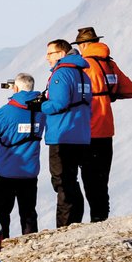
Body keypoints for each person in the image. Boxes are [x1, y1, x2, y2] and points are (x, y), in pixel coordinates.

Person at [72, 28, 132, 223]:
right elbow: (131, 90)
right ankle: (102, 216)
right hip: (107, 128)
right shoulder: (109, 64)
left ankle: (96, 218)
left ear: (83, 45)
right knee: (102, 177)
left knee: (90, 178)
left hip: (89, 128)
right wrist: (110, 95)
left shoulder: (84, 65)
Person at [39, 38, 96, 225]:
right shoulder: (83, 74)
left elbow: (59, 104)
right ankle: (76, 221)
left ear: (61, 54)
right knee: (72, 180)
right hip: (81, 134)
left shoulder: (60, 74)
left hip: (62, 134)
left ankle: (65, 225)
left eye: (50, 53)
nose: (47, 57)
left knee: (62, 181)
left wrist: (40, 106)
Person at [0, 75, 43, 236]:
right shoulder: (41, 110)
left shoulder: (7, 110)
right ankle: (31, 239)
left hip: (7, 171)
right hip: (30, 171)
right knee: (28, 211)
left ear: (15, 88)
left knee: (2, 212)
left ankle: (2, 242)